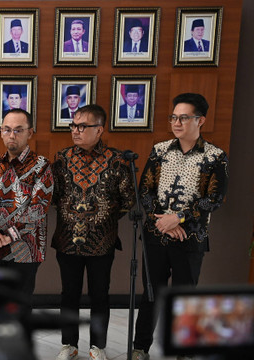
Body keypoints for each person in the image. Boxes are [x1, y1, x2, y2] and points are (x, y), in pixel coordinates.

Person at [131, 93, 228, 360]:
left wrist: (181, 218)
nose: (177, 122)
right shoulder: (160, 150)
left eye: (183, 118)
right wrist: (164, 220)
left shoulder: (215, 156)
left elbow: (214, 199)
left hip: (191, 238)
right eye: (174, 117)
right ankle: (140, 348)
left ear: (201, 120)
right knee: (150, 294)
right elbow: (146, 191)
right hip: (156, 234)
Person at [52, 104, 135, 360]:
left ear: (99, 129)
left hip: (102, 242)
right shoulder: (62, 157)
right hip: (67, 240)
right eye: (73, 126)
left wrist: (102, 218)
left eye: (82, 126)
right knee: (69, 294)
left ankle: (98, 346)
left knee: (100, 295)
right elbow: (56, 196)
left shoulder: (117, 160)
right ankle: (69, 345)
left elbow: (128, 200)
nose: (75, 131)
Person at [0, 109, 53, 314]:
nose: (12, 135)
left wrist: (8, 237)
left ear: (30, 133)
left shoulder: (42, 166)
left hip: (25, 250)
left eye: (19, 130)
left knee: (19, 308)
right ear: (1, 132)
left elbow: (38, 209)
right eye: (7, 130)